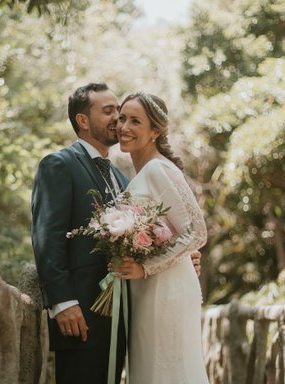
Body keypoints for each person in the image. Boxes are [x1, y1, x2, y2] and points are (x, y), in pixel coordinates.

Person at [32, 83, 203, 384]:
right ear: (83, 121)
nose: (118, 121)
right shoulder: (58, 164)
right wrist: (63, 302)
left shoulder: (122, 176)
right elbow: (48, 236)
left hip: (124, 312)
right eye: (110, 112)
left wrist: (181, 257)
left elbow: (163, 229)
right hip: (81, 312)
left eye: (124, 115)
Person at [112, 92, 209, 384]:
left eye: (135, 121)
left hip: (165, 289)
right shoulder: (138, 172)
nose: (124, 127)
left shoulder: (157, 168)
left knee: (167, 370)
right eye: (122, 118)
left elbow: (196, 231)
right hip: (146, 289)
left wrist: (146, 267)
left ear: (155, 131)